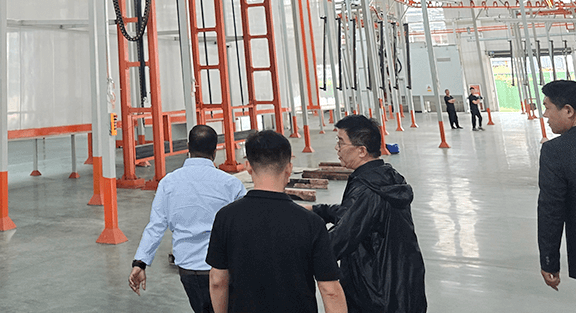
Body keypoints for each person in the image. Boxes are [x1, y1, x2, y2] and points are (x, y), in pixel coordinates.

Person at [206, 129, 347, 313]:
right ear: (288, 168)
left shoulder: (226, 217)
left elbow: (217, 280)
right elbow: (330, 291)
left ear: (248, 166)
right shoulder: (311, 223)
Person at [311, 115, 427, 313]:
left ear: (361, 151)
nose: (337, 148)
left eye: (341, 142)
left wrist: (297, 249)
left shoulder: (366, 188)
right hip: (403, 285)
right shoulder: (384, 177)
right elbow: (359, 213)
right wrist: (318, 211)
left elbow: (339, 240)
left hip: (378, 294)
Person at [128, 124, 245, 313]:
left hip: (188, 269)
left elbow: (156, 226)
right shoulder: (231, 184)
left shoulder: (168, 183)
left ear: (188, 147)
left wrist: (140, 263)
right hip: (222, 268)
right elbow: (246, 226)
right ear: (215, 151)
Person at [538, 79, 576, 291]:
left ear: (568, 111)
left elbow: (551, 211)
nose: (545, 115)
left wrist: (549, 262)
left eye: (547, 107)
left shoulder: (555, 151)